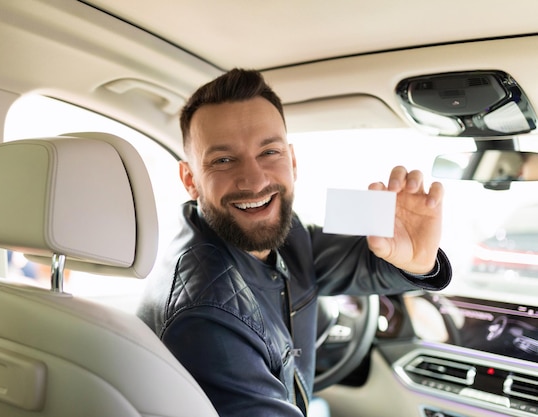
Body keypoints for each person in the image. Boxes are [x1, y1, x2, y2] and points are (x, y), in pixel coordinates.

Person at [137, 68, 452, 417]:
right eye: (224, 160)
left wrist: (419, 259)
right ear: (190, 179)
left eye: (269, 153)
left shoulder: (278, 232)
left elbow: (367, 258)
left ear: (293, 161)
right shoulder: (208, 314)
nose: (255, 180)